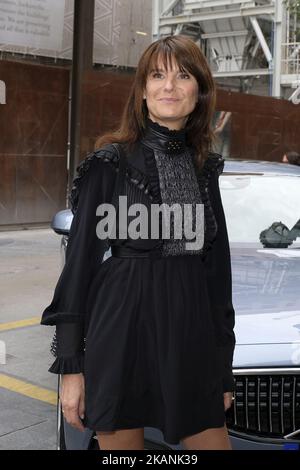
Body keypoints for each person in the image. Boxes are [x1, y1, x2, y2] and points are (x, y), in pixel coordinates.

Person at [41, 35, 236, 451]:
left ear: (199, 92)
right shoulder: (108, 164)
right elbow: (78, 271)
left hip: (190, 340)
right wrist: (72, 372)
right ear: (143, 91)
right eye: (157, 75)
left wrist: (222, 371)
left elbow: (218, 277)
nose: (169, 86)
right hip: (121, 334)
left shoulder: (206, 167)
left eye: (183, 76)